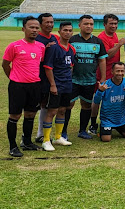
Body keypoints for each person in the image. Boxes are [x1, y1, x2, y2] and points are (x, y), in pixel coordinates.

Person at [3, 16, 46, 157]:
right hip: (18, 86)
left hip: (34, 85)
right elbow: (5, 64)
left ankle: (26, 142)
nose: (34, 30)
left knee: (31, 114)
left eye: (36, 28)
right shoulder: (14, 46)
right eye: (31, 27)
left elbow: (39, 64)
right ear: (23, 29)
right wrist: (14, 78)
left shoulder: (41, 46)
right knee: (15, 115)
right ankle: (13, 146)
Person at [67, 15, 107, 140]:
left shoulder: (97, 41)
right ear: (79, 25)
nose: (89, 26)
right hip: (73, 79)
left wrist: (103, 78)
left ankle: (83, 130)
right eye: (86, 24)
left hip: (90, 79)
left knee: (86, 105)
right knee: (68, 105)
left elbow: (102, 60)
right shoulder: (72, 40)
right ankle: (63, 132)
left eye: (91, 24)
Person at [41, 21, 75, 151]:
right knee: (52, 111)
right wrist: (53, 85)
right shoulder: (53, 47)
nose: (67, 33)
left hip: (67, 84)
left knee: (63, 110)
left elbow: (71, 66)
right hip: (56, 84)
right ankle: (46, 140)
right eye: (65, 30)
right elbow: (48, 68)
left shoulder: (72, 49)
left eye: (70, 30)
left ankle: (58, 137)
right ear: (59, 32)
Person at [35, 13, 59, 143]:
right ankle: (27, 135)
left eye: (51, 22)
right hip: (37, 77)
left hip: (50, 77)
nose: (50, 24)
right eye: (47, 22)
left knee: (46, 105)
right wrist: (45, 50)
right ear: (40, 24)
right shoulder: (37, 39)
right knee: (33, 107)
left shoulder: (55, 38)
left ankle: (40, 133)